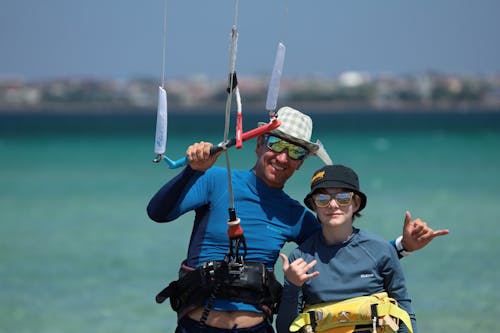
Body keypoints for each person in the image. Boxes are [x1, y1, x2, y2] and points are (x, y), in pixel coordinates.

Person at [147, 106, 447, 333]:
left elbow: (341, 252)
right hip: (197, 325)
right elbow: (158, 213)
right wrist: (192, 171)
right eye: (276, 144)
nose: (282, 157)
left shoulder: (295, 215)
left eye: (295, 151)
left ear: (301, 162)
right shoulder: (215, 180)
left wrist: (402, 246)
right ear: (259, 144)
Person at [276, 165, 418, 333]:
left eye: (343, 198)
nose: (333, 205)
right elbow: (285, 329)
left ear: (356, 203)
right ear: (314, 205)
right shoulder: (301, 259)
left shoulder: (380, 249)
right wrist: (292, 285)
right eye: (323, 199)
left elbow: (405, 314)